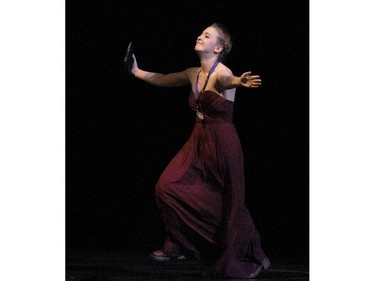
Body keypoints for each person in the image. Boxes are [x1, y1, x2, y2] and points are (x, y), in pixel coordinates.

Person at [129, 22, 270, 279]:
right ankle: (183, 242)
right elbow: (162, 79)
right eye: (201, 33)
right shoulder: (192, 73)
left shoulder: (222, 72)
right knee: (167, 186)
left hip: (222, 143)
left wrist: (240, 81)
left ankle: (240, 249)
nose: (199, 36)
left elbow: (229, 80)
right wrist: (136, 71)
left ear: (218, 48)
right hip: (198, 140)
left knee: (226, 199)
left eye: (207, 36)